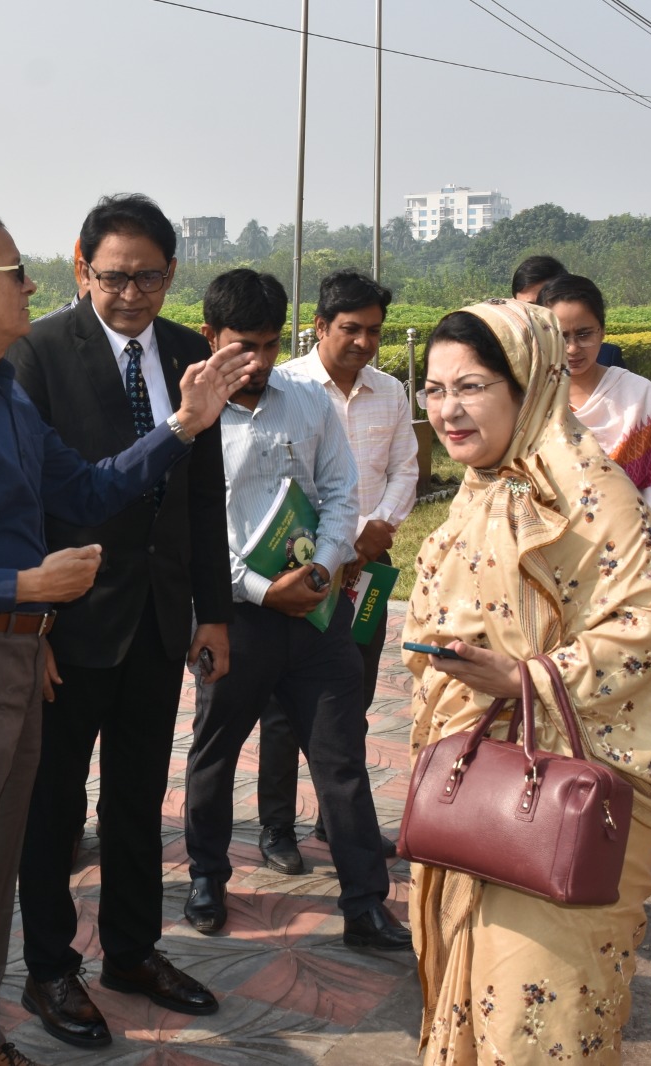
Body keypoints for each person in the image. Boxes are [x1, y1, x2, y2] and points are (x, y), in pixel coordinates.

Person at [0, 209, 251, 1066]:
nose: (31, 285)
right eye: (12, 272)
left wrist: (183, 426)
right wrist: (23, 587)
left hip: (7, 654)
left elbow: (84, 490)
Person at [404, 299, 651, 1064]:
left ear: (526, 383)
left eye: (469, 387)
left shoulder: (594, 496)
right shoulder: (477, 491)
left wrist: (527, 677)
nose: (447, 410)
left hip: (563, 802)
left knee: (542, 1025)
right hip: (475, 801)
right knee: (468, 1004)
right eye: (433, 391)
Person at [5, 193, 231, 1047]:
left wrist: (213, 614)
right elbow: (24, 501)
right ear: (80, 267)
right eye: (113, 277)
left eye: (147, 278)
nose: (130, 294)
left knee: (138, 798)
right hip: (68, 627)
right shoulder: (38, 354)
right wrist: (31, 623)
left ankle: (132, 952)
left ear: (171, 275)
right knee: (54, 807)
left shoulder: (187, 355)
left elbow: (202, 497)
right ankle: (50, 969)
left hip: (158, 622)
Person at [177, 269, 408, 951]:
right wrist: (256, 588)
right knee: (215, 755)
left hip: (315, 613)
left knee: (341, 759)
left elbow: (341, 490)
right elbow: (194, 522)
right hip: (234, 617)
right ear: (209, 337)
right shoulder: (189, 421)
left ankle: (366, 904)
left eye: (270, 346)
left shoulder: (306, 403)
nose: (255, 363)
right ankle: (207, 879)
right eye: (241, 347)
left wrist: (323, 566)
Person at [256, 268, 418, 873]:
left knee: (353, 695)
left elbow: (406, 467)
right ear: (319, 326)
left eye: (374, 331)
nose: (365, 343)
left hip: (366, 571)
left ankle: (338, 817)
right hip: (297, 573)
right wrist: (331, 547)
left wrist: (379, 528)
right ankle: (276, 827)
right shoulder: (284, 387)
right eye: (351, 329)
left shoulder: (392, 392)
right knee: (282, 705)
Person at [538, 273, 651, 536]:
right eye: (561, 337)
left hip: (630, 544)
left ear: (602, 331)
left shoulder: (637, 393)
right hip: (551, 546)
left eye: (584, 334)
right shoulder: (532, 399)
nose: (573, 348)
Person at [511, 253, 623, 368]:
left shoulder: (607, 357)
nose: (572, 349)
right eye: (530, 307)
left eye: (544, 305)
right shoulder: (509, 358)